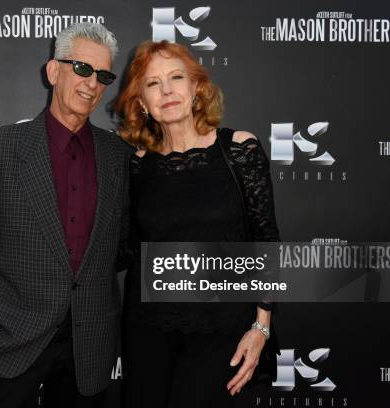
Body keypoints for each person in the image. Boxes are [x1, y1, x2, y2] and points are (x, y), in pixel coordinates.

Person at [0, 22, 132, 408]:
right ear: (53, 71)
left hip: (89, 349)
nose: (92, 83)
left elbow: (123, 247)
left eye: (103, 75)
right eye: (81, 68)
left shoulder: (119, 157)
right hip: (10, 343)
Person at [114, 40, 280, 407]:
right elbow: (129, 248)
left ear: (196, 88)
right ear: (141, 102)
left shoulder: (239, 149)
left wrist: (261, 325)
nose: (167, 90)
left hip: (221, 329)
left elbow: (266, 241)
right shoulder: (138, 165)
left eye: (176, 77)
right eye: (153, 83)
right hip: (148, 330)